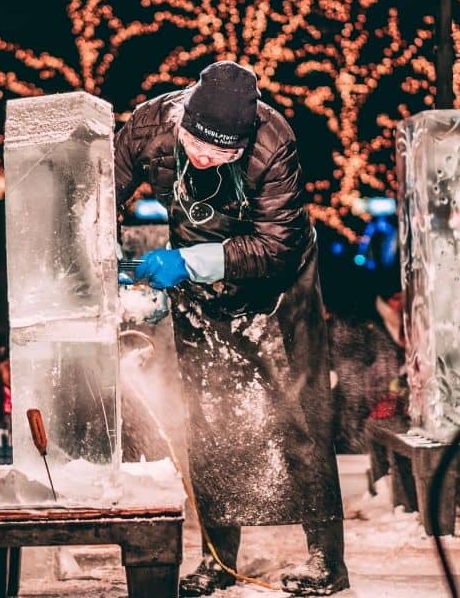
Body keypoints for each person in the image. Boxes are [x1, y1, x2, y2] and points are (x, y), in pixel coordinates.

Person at [114, 61, 347, 596]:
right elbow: (101, 187)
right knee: (209, 415)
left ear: (243, 144)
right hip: (200, 290)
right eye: (196, 142)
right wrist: (105, 244)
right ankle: (218, 558)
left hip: (279, 286)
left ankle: (327, 561)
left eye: (221, 153)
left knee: (298, 414)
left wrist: (188, 262)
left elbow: (276, 245)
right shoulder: (151, 123)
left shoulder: (275, 143)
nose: (203, 156)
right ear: (184, 120)